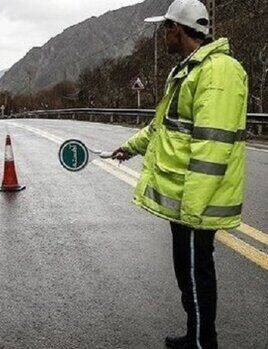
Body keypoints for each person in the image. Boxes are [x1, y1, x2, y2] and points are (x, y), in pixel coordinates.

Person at [111, 0, 248, 348]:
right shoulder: (190, 69)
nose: (162, 36)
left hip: (196, 203)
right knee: (189, 274)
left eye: (165, 28)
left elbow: (211, 148)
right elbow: (163, 127)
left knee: (196, 275)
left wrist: (191, 209)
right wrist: (131, 146)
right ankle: (196, 335)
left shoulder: (217, 72)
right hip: (187, 201)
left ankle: (203, 343)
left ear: (178, 29)